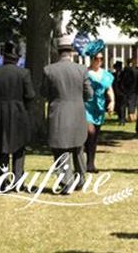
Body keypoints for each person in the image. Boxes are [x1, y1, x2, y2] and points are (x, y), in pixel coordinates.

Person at [41, 36, 93, 194]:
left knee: (60, 149)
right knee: (78, 148)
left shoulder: (49, 70)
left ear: (58, 52)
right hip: (77, 112)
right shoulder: (82, 69)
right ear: (71, 52)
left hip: (58, 112)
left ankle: (66, 183)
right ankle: (81, 179)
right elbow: (89, 94)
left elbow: (43, 92)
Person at [0, 41, 35, 182]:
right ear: (16, 58)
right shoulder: (24, 73)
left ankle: (4, 180)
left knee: (0, 147)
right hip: (19, 112)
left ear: (4, 57)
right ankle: (18, 179)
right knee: (19, 148)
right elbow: (30, 95)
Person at [83, 39, 115, 173]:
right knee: (90, 133)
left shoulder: (106, 75)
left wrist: (112, 102)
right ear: (92, 59)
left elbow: (109, 89)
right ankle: (84, 162)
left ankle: (91, 163)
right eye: (96, 58)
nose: (99, 61)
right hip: (86, 107)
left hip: (99, 107)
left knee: (95, 137)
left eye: (101, 59)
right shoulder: (85, 73)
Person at [120, 59, 138, 125]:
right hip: (133, 91)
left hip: (125, 90)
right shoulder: (135, 71)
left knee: (123, 105)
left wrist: (121, 89)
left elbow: (121, 81)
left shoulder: (124, 71)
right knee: (132, 104)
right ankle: (130, 116)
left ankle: (122, 120)